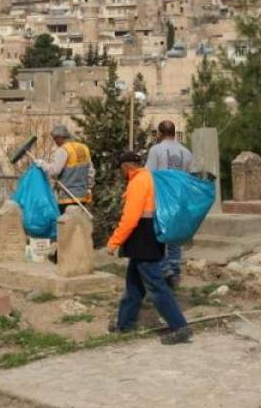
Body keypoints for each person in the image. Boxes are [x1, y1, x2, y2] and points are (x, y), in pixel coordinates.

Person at [106, 151, 193, 345]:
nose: (121, 172)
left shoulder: (137, 182)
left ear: (126, 167)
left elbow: (130, 219)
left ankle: (180, 327)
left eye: (121, 168)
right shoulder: (148, 177)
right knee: (134, 285)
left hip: (142, 239)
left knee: (156, 286)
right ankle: (124, 324)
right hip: (147, 237)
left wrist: (114, 242)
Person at [145, 120, 193, 288]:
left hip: (161, 198)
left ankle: (165, 269)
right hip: (179, 199)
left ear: (159, 133)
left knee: (158, 233)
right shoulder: (186, 152)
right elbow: (189, 176)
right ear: (174, 132)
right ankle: (175, 270)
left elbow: (148, 175)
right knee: (174, 237)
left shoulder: (156, 150)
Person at [37, 125, 94, 212]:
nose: (55, 142)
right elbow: (90, 171)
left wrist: (42, 164)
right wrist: (89, 187)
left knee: (65, 223)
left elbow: (54, 171)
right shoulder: (84, 148)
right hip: (82, 196)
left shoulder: (63, 150)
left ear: (60, 137)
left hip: (67, 196)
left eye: (55, 139)